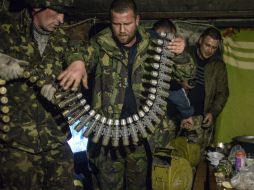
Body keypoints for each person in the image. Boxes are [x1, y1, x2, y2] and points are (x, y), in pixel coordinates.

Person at [61, 0, 195, 189]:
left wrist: (181, 54)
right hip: (107, 139)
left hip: (141, 139)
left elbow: (187, 74)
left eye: (127, 24)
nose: (122, 30)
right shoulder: (100, 43)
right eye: (116, 24)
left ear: (137, 20)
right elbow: (80, 50)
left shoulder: (155, 44)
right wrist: (77, 62)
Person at [0, 0, 86, 189]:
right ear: (37, 7)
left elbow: (77, 64)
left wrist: (77, 64)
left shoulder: (62, 39)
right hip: (17, 145)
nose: (61, 19)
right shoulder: (6, 29)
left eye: (65, 14)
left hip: (56, 141)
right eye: (57, 12)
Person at [182, 27, 229, 155]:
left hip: (200, 119)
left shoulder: (218, 65)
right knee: (173, 157)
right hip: (178, 115)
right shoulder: (185, 56)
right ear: (200, 40)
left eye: (214, 47)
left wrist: (212, 112)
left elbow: (222, 93)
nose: (210, 50)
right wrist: (181, 84)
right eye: (207, 45)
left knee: (196, 158)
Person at [152, 19, 195, 132]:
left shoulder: (173, 58)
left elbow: (179, 89)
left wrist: (187, 115)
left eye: (167, 37)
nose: (162, 41)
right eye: (159, 37)